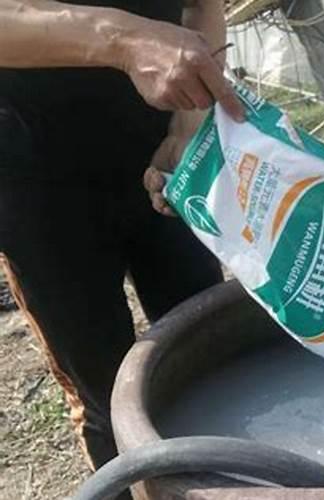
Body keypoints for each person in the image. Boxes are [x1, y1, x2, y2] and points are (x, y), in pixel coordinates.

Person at [0, 0, 245, 486]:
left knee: (209, 351)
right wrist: (123, 39)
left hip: (163, 153)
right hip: (35, 180)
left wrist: (190, 124)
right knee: (106, 395)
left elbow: (202, 6)